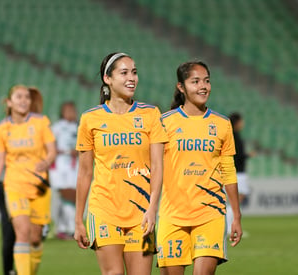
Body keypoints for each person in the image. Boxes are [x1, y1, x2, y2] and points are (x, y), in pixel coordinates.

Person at [74, 52, 168, 275]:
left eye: (134, 72)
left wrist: (152, 208)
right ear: (108, 79)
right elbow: (85, 172)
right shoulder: (90, 119)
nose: (132, 78)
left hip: (142, 213)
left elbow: (157, 167)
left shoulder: (151, 114)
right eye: (124, 72)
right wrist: (78, 220)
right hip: (104, 209)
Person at [157, 61, 242, 275]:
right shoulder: (164, 123)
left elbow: (229, 172)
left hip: (210, 213)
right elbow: (154, 169)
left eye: (206, 81)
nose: (203, 86)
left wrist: (237, 216)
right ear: (181, 87)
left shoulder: (222, 124)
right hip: (172, 215)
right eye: (195, 81)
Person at [0, 85, 57, 275]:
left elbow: (52, 151)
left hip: (39, 186)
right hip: (14, 186)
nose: (24, 100)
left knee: (35, 239)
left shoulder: (41, 122)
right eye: (18, 97)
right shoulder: (2, 128)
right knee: (22, 232)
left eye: (26, 97)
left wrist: (47, 161)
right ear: (9, 102)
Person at [49, 101, 79, 240]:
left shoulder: (78, 127)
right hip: (59, 166)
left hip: (73, 166)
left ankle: (62, 228)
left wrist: (77, 151)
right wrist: (65, 151)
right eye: (68, 110)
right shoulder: (57, 127)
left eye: (73, 110)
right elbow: (50, 146)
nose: (71, 113)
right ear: (63, 112)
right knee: (66, 195)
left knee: (68, 198)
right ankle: (71, 229)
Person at [226, 112, 254, 234]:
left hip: (237, 171)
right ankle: (228, 226)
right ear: (237, 122)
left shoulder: (232, 135)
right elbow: (236, 156)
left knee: (236, 200)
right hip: (238, 172)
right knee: (236, 200)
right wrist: (247, 155)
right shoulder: (234, 137)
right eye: (241, 121)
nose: (242, 124)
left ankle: (229, 226)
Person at [0, 179, 16, 275]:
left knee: (30, 235)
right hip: (7, 184)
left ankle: (19, 270)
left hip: (26, 185)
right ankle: (9, 271)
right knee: (9, 230)